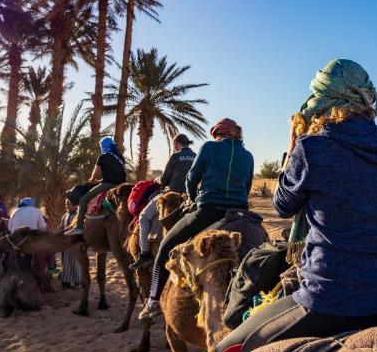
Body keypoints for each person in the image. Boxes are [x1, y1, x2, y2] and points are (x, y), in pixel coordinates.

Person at [210, 59, 377, 352]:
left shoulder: (313, 148)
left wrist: (294, 145)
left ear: (322, 102)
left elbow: (283, 205)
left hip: (331, 295)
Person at [141, 118, 254, 316]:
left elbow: (192, 178)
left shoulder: (210, 147)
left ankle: (153, 301)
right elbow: (247, 187)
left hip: (209, 210)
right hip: (241, 212)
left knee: (165, 249)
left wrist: (193, 198)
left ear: (218, 134)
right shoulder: (248, 156)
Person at [67, 137, 127, 235]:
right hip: (122, 184)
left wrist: (93, 180)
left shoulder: (103, 157)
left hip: (109, 184)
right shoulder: (120, 158)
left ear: (103, 146)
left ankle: (79, 227)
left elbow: (94, 174)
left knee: (83, 199)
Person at [129, 183, 166, 270]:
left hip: (170, 191)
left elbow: (165, 179)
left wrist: (158, 179)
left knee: (143, 217)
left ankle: (145, 254)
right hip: (190, 195)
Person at [58, 199, 82, 289]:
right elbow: (61, 227)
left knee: (75, 262)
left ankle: (77, 281)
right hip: (65, 243)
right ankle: (66, 281)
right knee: (65, 262)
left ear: (75, 205)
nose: (67, 205)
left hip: (75, 242)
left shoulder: (78, 215)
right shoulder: (65, 215)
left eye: (68, 204)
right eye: (66, 204)